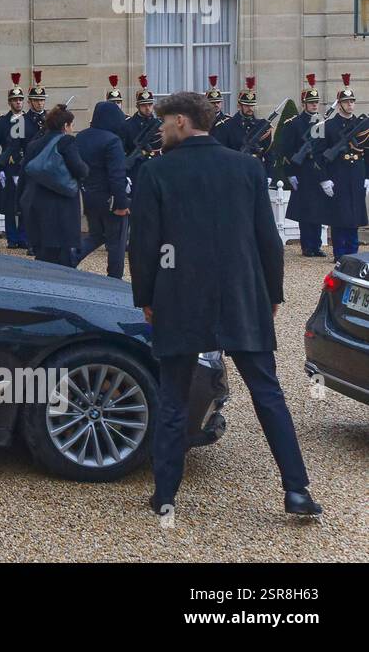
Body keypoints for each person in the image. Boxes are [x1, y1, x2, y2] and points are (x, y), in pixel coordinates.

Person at [129, 91, 321, 518]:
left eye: (163, 123)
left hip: (179, 294)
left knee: (174, 398)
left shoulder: (156, 172)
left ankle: (164, 495)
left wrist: (146, 296)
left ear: (181, 121)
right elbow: (268, 241)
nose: (159, 130)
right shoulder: (246, 167)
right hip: (241, 293)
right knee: (268, 394)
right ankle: (297, 491)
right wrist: (270, 292)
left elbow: (143, 245)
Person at [20, 104, 87, 266]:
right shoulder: (66, 142)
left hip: (36, 208)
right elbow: (79, 169)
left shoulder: (33, 145)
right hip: (61, 210)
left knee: (43, 261)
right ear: (65, 126)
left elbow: (24, 176)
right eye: (71, 125)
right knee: (62, 263)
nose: (72, 129)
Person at [75, 99, 129, 278]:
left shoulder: (81, 136)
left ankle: (69, 259)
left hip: (89, 196)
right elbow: (117, 175)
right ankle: (114, 280)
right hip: (110, 200)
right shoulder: (112, 141)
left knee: (95, 236)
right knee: (116, 243)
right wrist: (121, 204)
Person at [278, 74, 330, 257]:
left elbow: (323, 147)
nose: (314, 105)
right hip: (302, 172)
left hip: (317, 172)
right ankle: (307, 246)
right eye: (311, 102)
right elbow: (285, 150)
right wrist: (290, 173)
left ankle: (316, 245)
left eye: (316, 102)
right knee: (305, 212)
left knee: (318, 211)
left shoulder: (321, 122)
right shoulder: (294, 124)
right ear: (304, 103)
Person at [318, 74, 368, 258]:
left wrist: (367, 176)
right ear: (339, 104)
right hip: (337, 175)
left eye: (352, 102)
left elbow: (367, 151)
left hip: (356, 175)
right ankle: (340, 255)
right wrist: (324, 179)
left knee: (354, 216)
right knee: (340, 217)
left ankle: (353, 254)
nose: (350, 105)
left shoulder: (361, 124)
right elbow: (319, 155)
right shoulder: (329, 126)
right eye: (346, 102)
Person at [0, 72, 29, 248]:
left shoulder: (29, 121)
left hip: (25, 167)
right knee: (10, 206)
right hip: (8, 168)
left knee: (26, 204)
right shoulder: (1, 123)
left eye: (20, 100)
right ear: (9, 102)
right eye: (15, 100)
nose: (18, 103)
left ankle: (24, 237)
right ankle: (12, 238)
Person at [216, 76, 274, 179]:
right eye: (247, 105)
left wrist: (269, 175)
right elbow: (223, 153)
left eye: (252, 105)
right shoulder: (228, 125)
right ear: (239, 106)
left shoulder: (262, 125)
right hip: (235, 172)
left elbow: (268, 153)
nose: (250, 108)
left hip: (257, 171)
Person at [21, 70, 49, 254]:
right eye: (36, 100)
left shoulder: (50, 119)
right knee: (31, 207)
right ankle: (31, 242)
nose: (40, 103)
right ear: (30, 102)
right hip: (30, 168)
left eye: (42, 100)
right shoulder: (20, 121)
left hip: (46, 169)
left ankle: (45, 240)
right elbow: (15, 146)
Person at [123, 76, 163, 193]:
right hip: (137, 170)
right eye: (144, 105)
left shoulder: (159, 124)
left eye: (150, 104)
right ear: (137, 106)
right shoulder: (128, 125)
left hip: (156, 168)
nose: (147, 108)